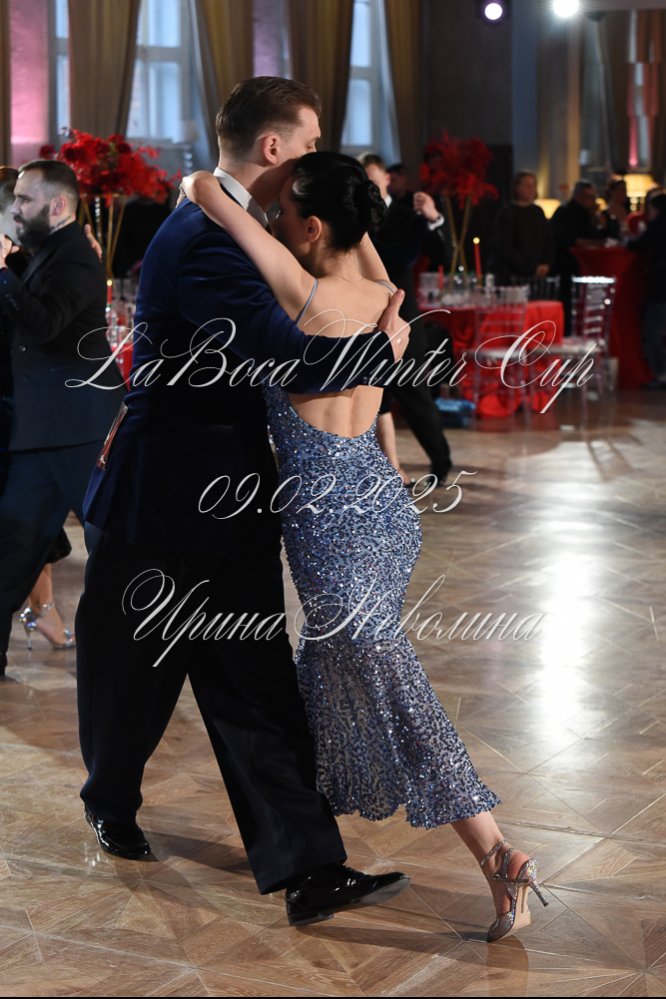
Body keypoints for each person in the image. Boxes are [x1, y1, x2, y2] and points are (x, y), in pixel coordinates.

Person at [183, 151, 549, 943]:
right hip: (383, 511)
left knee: (395, 691)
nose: (276, 219)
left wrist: (253, 176)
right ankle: (310, 836)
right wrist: (330, 184)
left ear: (314, 225)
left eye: (286, 212)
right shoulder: (386, 294)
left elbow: (206, 189)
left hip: (335, 534)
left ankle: (499, 853)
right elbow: (357, 237)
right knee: (342, 677)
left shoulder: (302, 289)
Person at [76, 76, 412, 928]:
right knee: (129, 678)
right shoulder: (205, 241)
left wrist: (382, 310)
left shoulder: (236, 225)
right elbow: (291, 357)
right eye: (309, 143)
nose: (316, 158)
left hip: (228, 501)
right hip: (161, 498)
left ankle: (311, 867)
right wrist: (385, 349)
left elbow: (341, 278)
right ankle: (109, 799)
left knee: (255, 683)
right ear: (273, 148)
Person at [0, 160, 125, 677]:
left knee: (112, 547)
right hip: (45, 427)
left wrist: (0, 272)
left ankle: (136, 661)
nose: (15, 209)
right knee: (13, 549)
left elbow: (46, 324)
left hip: (79, 427)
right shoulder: (50, 251)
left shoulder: (76, 257)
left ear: (56, 205)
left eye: (23, 200)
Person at [359, 153, 452, 487]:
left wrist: (433, 219)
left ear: (387, 179)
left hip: (404, 320)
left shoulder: (406, 215)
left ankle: (441, 461)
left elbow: (442, 256)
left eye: (374, 180)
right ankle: (386, 468)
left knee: (415, 395)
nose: (370, 187)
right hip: (364, 320)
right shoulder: (354, 216)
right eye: (364, 182)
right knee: (374, 400)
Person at [550, 180, 606, 333]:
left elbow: (596, 234)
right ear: (579, 196)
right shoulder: (565, 212)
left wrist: (597, 220)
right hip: (565, 266)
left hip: (583, 267)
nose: (593, 201)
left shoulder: (588, 214)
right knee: (567, 305)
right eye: (590, 197)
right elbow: (571, 240)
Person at [627, 192, 666, 386]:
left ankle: (661, 373)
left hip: (660, 284)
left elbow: (637, 244)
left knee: (653, 330)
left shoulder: (658, 225)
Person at [492, 171, 552, 283]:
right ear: (516, 188)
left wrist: (545, 263)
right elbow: (505, 246)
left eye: (533, 185)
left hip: (537, 272)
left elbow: (547, 240)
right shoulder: (507, 212)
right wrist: (528, 268)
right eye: (526, 185)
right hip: (513, 275)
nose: (531, 189)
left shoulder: (538, 211)